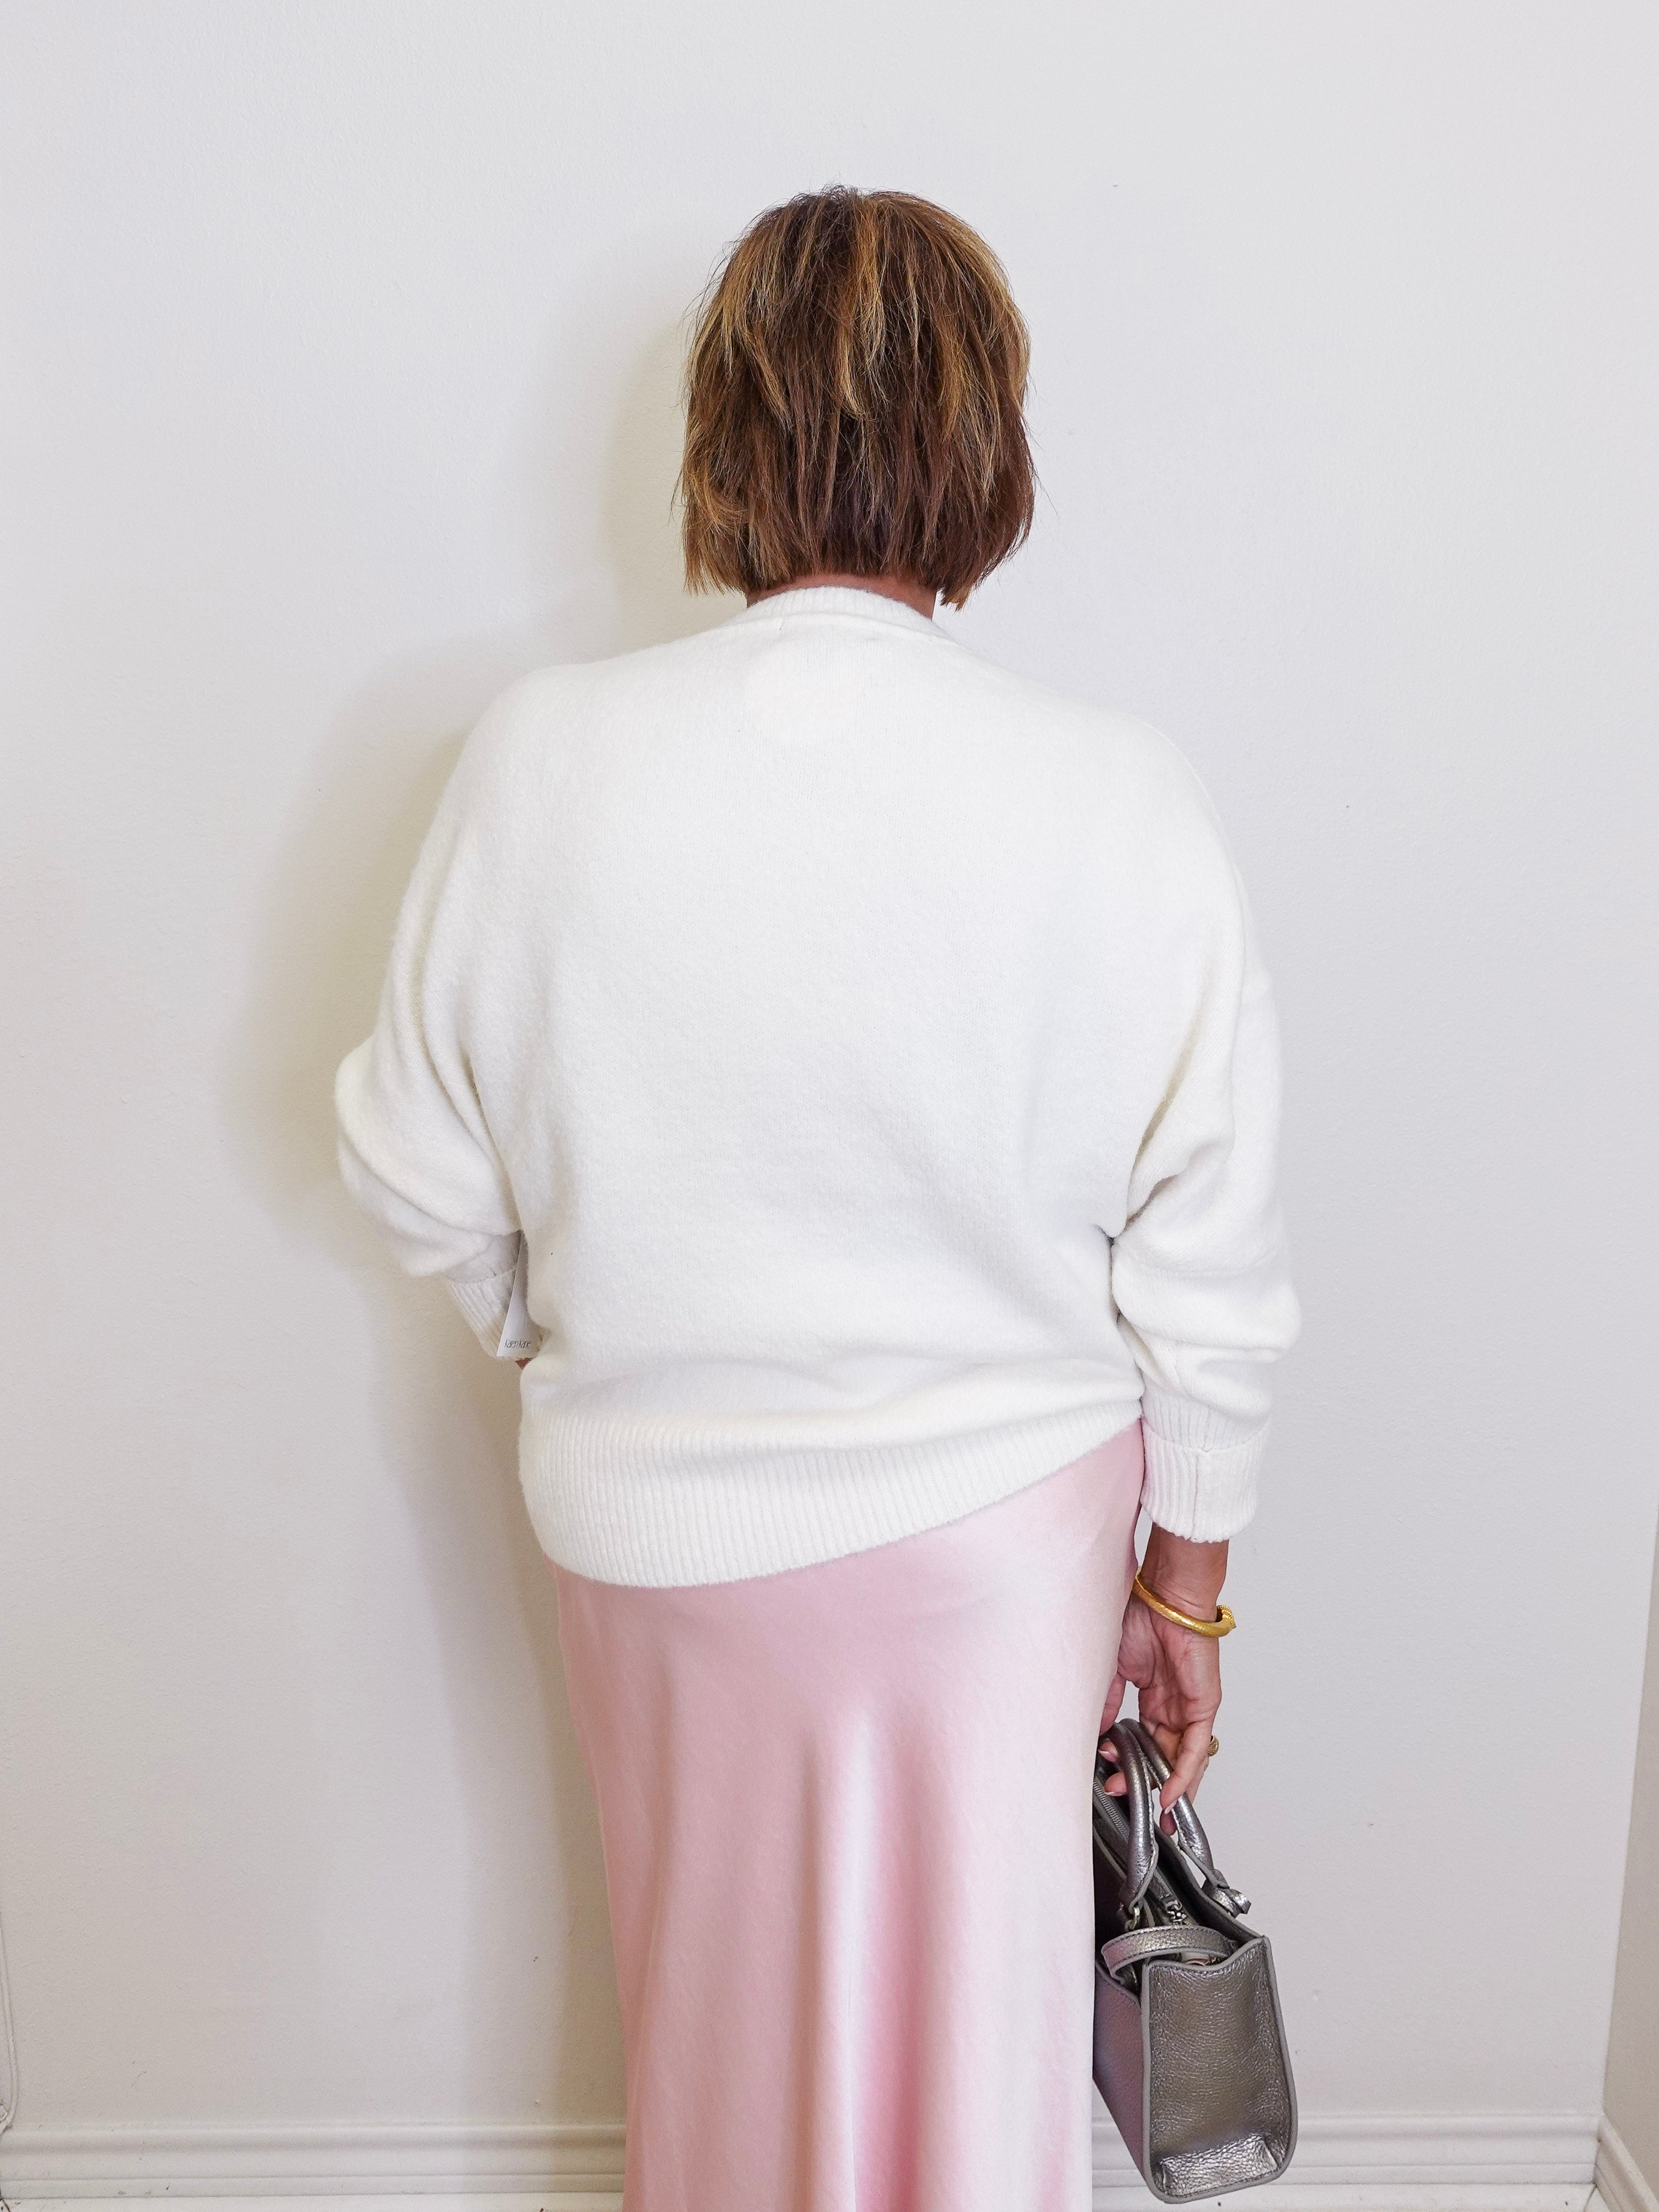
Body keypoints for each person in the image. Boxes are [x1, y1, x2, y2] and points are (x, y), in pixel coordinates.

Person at [335, 185, 1300, 2212]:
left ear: (729, 435)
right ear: (985, 447)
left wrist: (572, 1321)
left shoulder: (542, 761)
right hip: (997, 1561)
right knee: (975, 2058)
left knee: (716, 2025)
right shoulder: (1113, 794)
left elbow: (408, 1160)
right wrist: (1183, 1588)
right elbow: (1208, 1259)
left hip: (657, 1537)